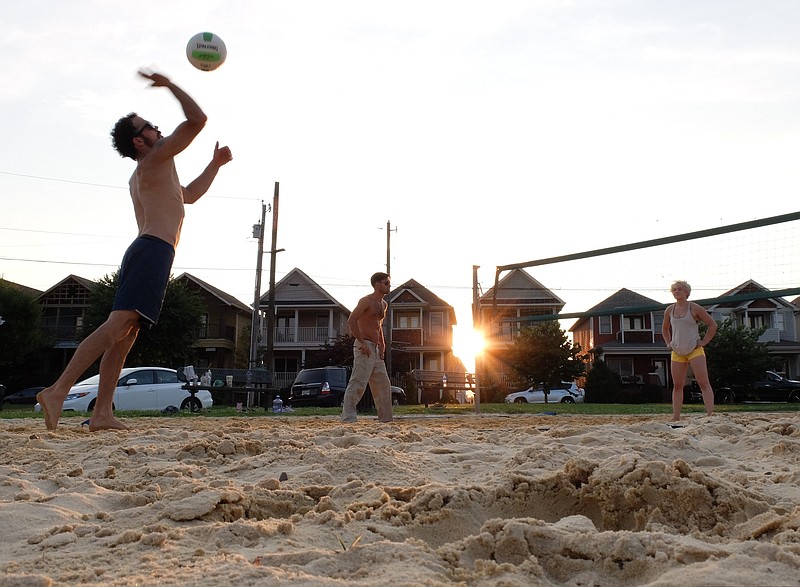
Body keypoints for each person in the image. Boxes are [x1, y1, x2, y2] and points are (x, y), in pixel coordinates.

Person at [37, 70, 233, 431]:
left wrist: (215, 165)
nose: (158, 130)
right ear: (140, 142)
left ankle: (101, 413)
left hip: (146, 250)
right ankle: (58, 391)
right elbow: (197, 121)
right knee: (118, 326)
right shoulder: (154, 159)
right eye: (150, 127)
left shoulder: (151, 171)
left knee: (126, 334)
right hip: (152, 250)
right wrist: (171, 84)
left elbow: (188, 195)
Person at [340, 272, 394, 423]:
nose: (389, 285)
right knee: (358, 383)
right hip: (364, 347)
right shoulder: (366, 301)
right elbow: (351, 321)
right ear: (377, 284)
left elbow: (378, 326)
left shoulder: (384, 304)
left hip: (376, 349)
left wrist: (382, 346)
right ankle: (348, 418)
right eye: (386, 283)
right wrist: (362, 343)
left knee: (384, 385)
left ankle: (386, 420)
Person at [661, 280, 717, 421]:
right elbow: (665, 329)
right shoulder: (669, 310)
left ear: (687, 292)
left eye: (680, 289)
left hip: (694, 349)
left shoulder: (695, 308)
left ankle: (710, 415)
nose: (677, 291)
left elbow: (712, 325)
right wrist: (668, 343)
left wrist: (704, 342)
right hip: (677, 350)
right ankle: (676, 417)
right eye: (674, 289)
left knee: (703, 382)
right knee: (678, 385)